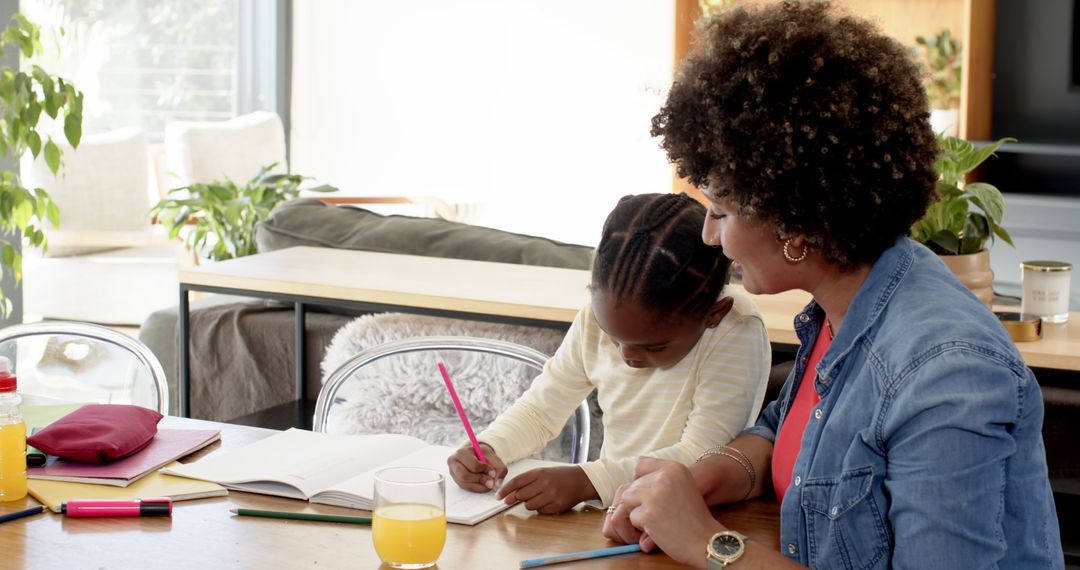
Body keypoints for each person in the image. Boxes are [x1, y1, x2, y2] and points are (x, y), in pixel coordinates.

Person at [602, 3, 1064, 569]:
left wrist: (707, 542)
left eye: (720, 211)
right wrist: (702, 480)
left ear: (795, 221)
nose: (709, 235)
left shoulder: (948, 372)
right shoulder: (849, 298)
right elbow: (789, 432)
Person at [447, 192, 771, 514]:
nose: (628, 356)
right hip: (616, 515)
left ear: (714, 314)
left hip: (696, 520)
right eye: (611, 337)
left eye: (653, 346)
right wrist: (491, 447)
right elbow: (541, 410)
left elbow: (702, 457)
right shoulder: (594, 318)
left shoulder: (735, 331)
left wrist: (588, 481)